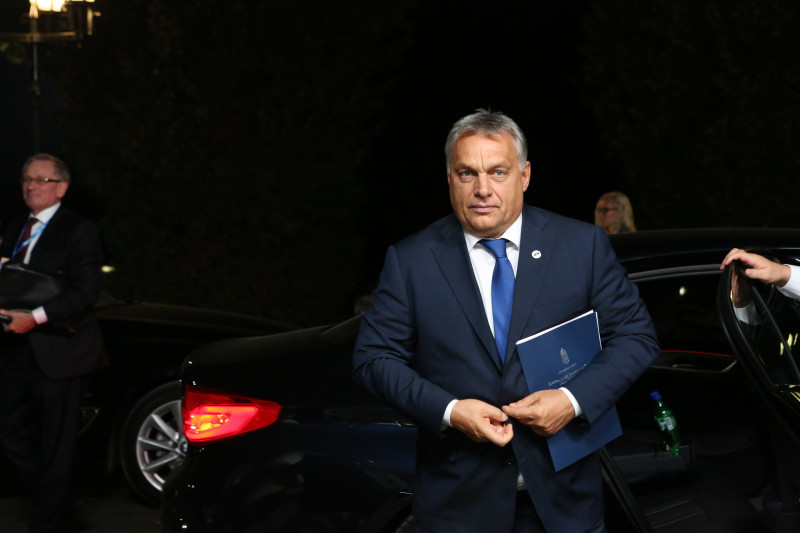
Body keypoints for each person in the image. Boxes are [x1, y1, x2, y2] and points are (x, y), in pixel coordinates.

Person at [353, 110, 659, 533]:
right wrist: (450, 411)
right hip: (459, 509)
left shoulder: (581, 246)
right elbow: (372, 359)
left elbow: (636, 337)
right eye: (467, 173)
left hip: (565, 504)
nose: (483, 189)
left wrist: (571, 400)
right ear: (449, 178)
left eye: (498, 172)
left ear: (524, 175)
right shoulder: (411, 260)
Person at [0, 153, 108, 533]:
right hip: (14, 347)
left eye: (41, 180)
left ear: (61, 188)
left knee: (57, 442)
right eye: (26, 179)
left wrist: (36, 318)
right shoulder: (16, 226)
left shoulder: (78, 230)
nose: (31, 186)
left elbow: (86, 290)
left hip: (60, 348)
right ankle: (63, 497)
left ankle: (47, 522)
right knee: (8, 429)